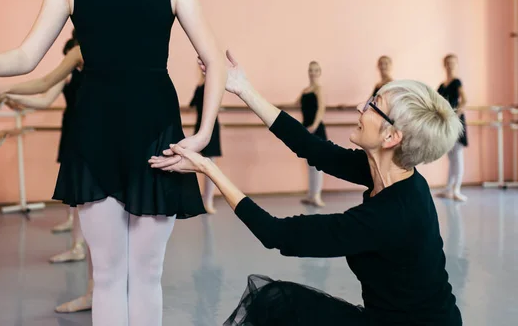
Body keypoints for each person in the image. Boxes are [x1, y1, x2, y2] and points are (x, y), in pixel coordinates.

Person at [0, 0, 227, 324]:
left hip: (157, 135)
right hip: (95, 136)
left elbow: (215, 61)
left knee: (147, 274)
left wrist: (204, 134)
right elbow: (25, 56)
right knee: (106, 276)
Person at [150, 51, 463, 326]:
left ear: (391, 137)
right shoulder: (392, 172)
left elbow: (276, 233)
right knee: (278, 305)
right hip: (390, 317)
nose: (359, 106)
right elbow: (312, 147)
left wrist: (208, 168)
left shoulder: (392, 214)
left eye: (372, 105)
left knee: (275, 303)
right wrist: (244, 89)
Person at [0, 38, 93, 314]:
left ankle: (96, 280)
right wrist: (8, 94)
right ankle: (86, 266)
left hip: (96, 136)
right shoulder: (75, 63)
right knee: (83, 200)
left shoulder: (94, 52)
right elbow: (42, 93)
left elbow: (41, 87)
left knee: (92, 205)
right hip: (80, 134)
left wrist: (5, 92)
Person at [436, 54, 468, 202]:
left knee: (458, 156)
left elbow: (465, 100)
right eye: (448, 63)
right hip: (446, 123)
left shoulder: (457, 82)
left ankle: (457, 189)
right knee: (450, 156)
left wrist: (456, 115)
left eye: (453, 63)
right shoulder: (442, 86)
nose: (450, 65)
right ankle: (449, 188)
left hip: (456, 121)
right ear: (444, 64)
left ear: (456, 64)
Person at [189, 67, 222, 214]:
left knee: (209, 166)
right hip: (204, 127)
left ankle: (208, 201)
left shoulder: (210, 85)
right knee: (198, 163)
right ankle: (204, 200)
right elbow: (193, 104)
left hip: (208, 127)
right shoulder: (203, 86)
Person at [295, 61, 327, 207]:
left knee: (318, 164)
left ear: (319, 73)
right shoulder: (305, 90)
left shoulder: (319, 89)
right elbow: (295, 104)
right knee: (309, 164)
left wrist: (314, 125)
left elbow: (321, 108)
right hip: (305, 129)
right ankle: (311, 195)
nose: (313, 73)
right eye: (311, 70)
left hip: (315, 129)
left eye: (315, 70)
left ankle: (317, 196)